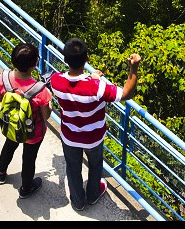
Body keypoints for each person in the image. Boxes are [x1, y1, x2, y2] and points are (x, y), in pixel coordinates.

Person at [50, 37, 141, 211]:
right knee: (95, 165)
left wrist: (92, 78)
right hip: (94, 137)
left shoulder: (56, 81)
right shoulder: (97, 88)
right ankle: (92, 195)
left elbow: (74, 84)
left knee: (73, 168)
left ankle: (77, 201)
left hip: (69, 136)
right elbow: (127, 93)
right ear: (87, 59)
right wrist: (134, 67)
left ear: (65, 59)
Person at [0, 42, 52, 199]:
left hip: (12, 125)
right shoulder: (41, 90)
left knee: (9, 145)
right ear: (35, 65)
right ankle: (26, 188)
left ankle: (1, 172)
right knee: (29, 159)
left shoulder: (4, 78)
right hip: (33, 132)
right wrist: (49, 101)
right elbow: (46, 116)